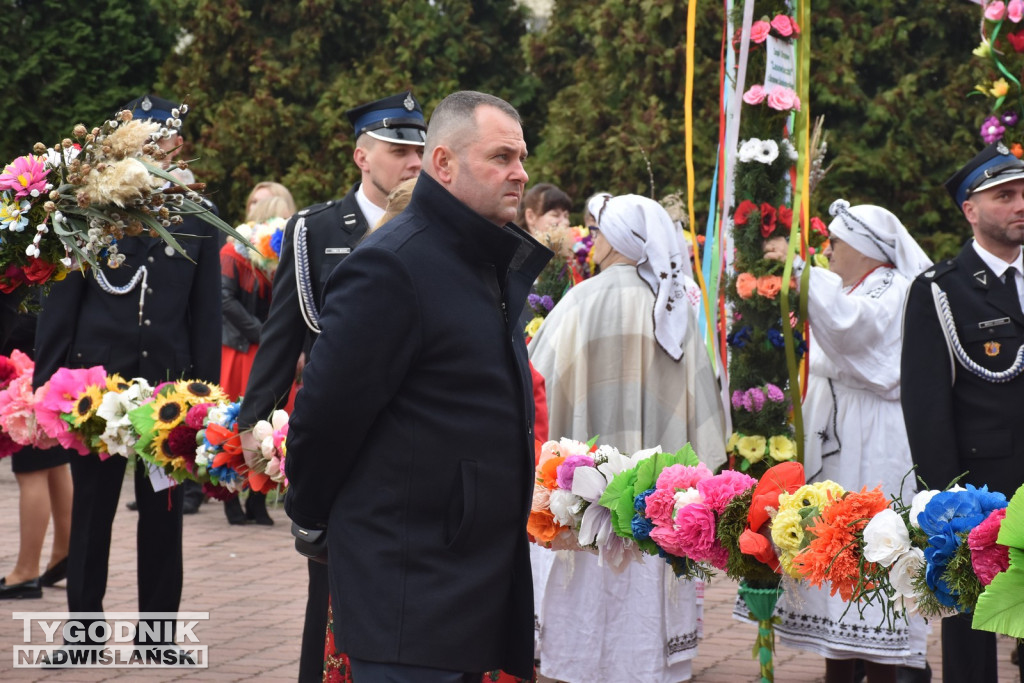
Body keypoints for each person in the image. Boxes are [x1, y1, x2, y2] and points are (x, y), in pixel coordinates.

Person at [283, 90, 549, 682]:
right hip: (411, 580)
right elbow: (325, 416)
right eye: (501, 157)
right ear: (444, 164)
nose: (520, 173)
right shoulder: (394, 264)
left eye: (522, 157)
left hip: (463, 574)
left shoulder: (477, 257)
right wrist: (311, 519)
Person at [236, 92, 425, 682]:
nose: (414, 162)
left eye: (420, 150)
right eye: (399, 150)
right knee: (329, 577)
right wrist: (251, 420)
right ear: (362, 157)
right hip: (339, 432)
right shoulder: (317, 229)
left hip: (416, 430)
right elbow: (284, 331)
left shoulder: (436, 226)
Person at [31, 94, 221, 653]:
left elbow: (205, 316)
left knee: (163, 515)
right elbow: (59, 304)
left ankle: (158, 634)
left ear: (175, 146)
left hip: (166, 391)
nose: (148, 153)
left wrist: (205, 399)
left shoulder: (196, 218)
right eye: (136, 144)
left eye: (156, 142)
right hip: (95, 390)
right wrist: (46, 383)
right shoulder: (90, 208)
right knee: (91, 514)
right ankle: (83, 632)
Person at [528, 194, 727, 683]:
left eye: (598, 232)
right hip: (653, 506)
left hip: (576, 499)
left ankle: (576, 666)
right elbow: (706, 413)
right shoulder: (671, 311)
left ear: (616, 240)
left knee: (580, 595)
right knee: (644, 602)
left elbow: (535, 383)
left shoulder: (579, 300)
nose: (591, 241)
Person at [762, 201, 933, 683]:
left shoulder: (894, 288)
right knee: (833, 543)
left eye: (834, 243)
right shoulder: (857, 284)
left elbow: (852, 326)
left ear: (863, 246)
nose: (828, 251)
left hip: (874, 432)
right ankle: (837, 660)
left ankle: (879, 668)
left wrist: (799, 271)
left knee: (870, 545)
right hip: (838, 427)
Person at [902, 141, 1024, 683]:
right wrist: (945, 504)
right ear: (970, 211)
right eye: (1006, 195)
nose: (1021, 204)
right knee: (972, 626)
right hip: (982, 484)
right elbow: (927, 407)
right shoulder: (941, 291)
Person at [219, 186, 296, 526]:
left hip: (272, 350)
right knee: (238, 424)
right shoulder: (233, 252)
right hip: (243, 349)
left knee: (274, 423)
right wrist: (265, 334)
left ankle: (259, 498)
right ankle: (230, 496)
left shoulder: (289, 253)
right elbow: (224, 299)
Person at [0, 291, 72, 600]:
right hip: (47, 343)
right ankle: (65, 552)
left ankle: (26, 571)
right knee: (52, 462)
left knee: (31, 469)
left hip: (27, 353)